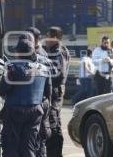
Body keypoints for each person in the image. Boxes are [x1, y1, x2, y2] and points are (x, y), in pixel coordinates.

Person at [0, 32, 52, 157]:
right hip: (35, 111)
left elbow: (3, 89)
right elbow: (47, 93)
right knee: (29, 147)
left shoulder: (12, 67)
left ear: (18, 52)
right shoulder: (44, 68)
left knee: (11, 146)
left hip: (14, 111)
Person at [25, 27, 53, 157]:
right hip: (39, 100)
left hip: (39, 100)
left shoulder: (40, 55)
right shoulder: (32, 52)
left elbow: (48, 84)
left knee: (39, 139)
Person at [45, 26, 70, 157]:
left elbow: (58, 74)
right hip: (53, 91)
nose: (46, 39)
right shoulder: (53, 50)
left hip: (55, 92)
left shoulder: (58, 52)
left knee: (53, 124)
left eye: (48, 36)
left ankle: (55, 154)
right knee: (53, 123)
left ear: (55, 38)